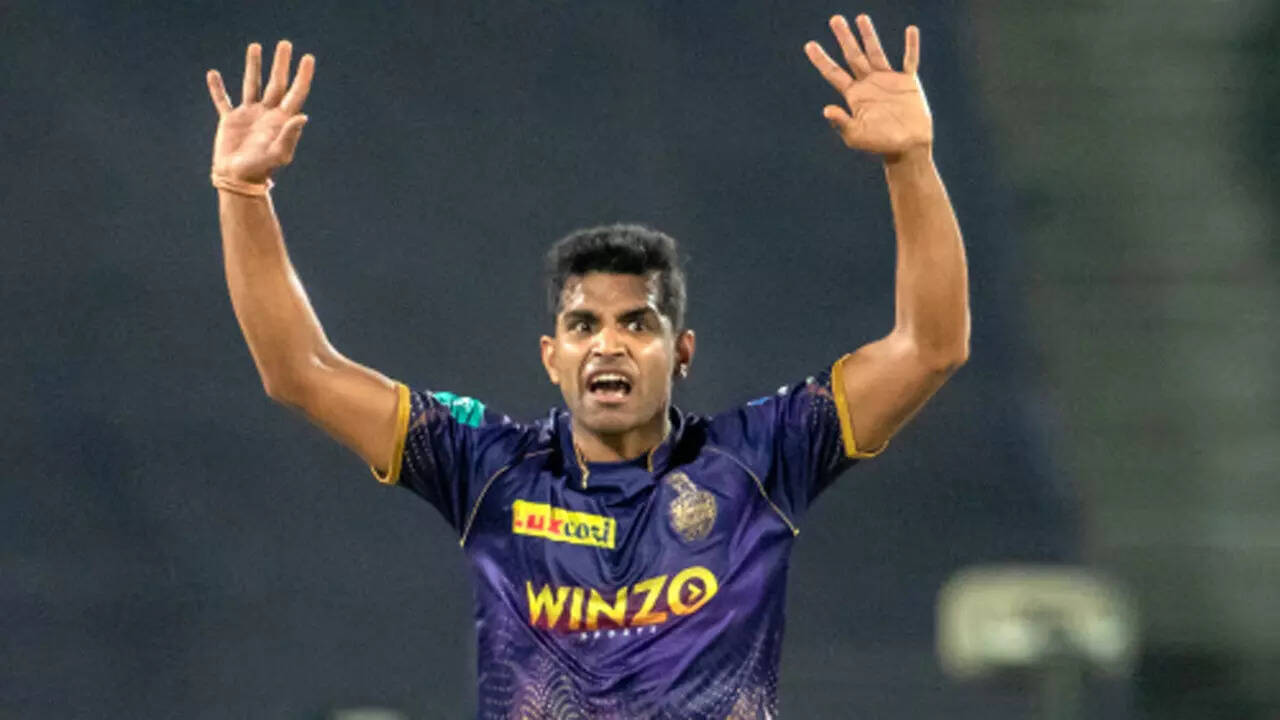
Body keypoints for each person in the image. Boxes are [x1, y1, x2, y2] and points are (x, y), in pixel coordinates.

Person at [205, 11, 968, 719]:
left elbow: (930, 347)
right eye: (583, 325)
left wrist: (912, 162)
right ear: (552, 356)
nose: (608, 344)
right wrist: (243, 190)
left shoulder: (760, 459)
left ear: (682, 352)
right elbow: (300, 370)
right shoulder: (487, 468)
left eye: (637, 323)